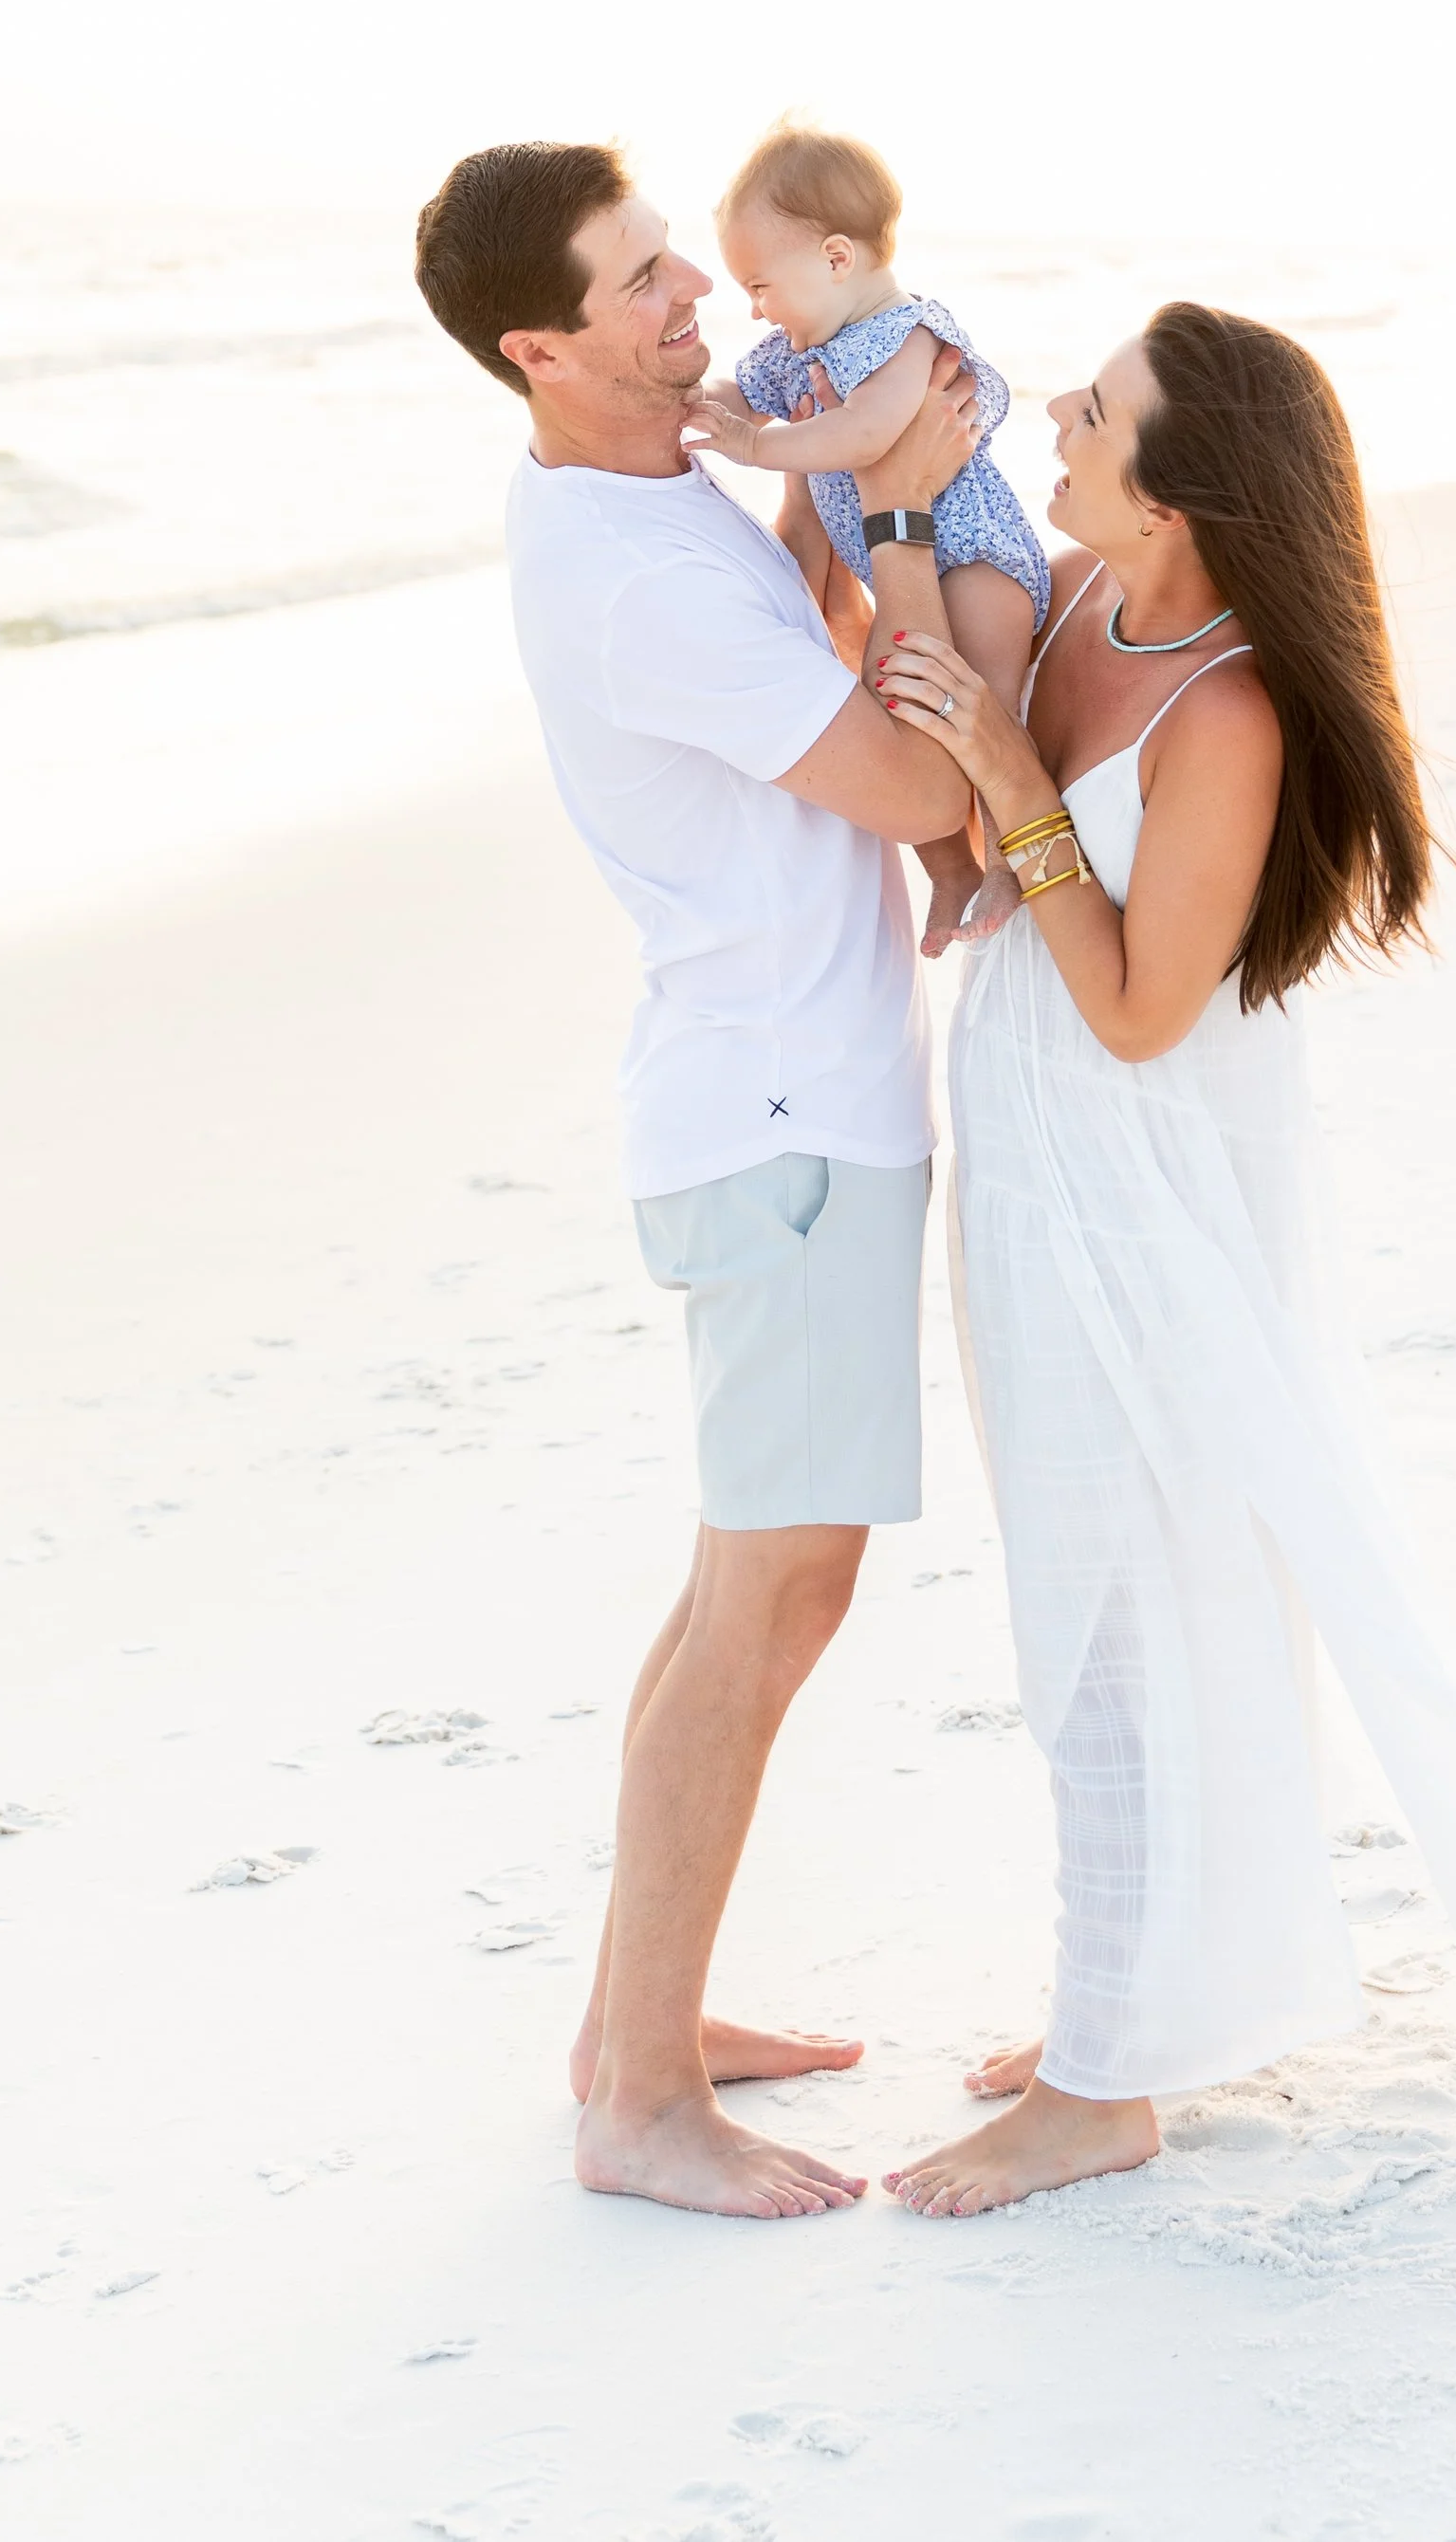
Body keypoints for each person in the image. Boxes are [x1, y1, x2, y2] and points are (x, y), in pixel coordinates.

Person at [873, 303, 1456, 2216]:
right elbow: (946, 718)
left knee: (1117, 1584)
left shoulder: (1224, 708)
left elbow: (1146, 1010)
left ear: (1183, 492)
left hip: (1140, 1158)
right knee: (1090, 1567)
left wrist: (1006, 783)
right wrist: (878, 490)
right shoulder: (1079, 594)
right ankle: (1138, 2001)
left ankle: (1103, 2079)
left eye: (1093, 414)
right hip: (1028, 1140)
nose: (1055, 424)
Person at [412, 139, 980, 2221]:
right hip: (782, 1130)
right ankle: (637, 2096)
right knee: (764, 1604)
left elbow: (814, 640)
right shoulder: (638, 568)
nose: (690, 305)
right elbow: (914, 778)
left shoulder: (649, 490)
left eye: (675, 265)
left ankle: (625, 2023)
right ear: (538, 349)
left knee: (745, 1594)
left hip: (776, 1107)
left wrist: (849, 493)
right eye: (641, 287)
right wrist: (908, 524)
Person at [679, 122, 1049, 955]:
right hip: (901, 563)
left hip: (980, 558)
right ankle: (950, 869)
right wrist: (693, 407)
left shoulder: (904, 333)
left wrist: (754, 447)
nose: (754, 308)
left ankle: (1007, 857)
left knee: (984, 711)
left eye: (761, 284)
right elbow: (744, 391)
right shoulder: (801, 347)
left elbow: (867, 437)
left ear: (837, 259)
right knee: (897, 712)